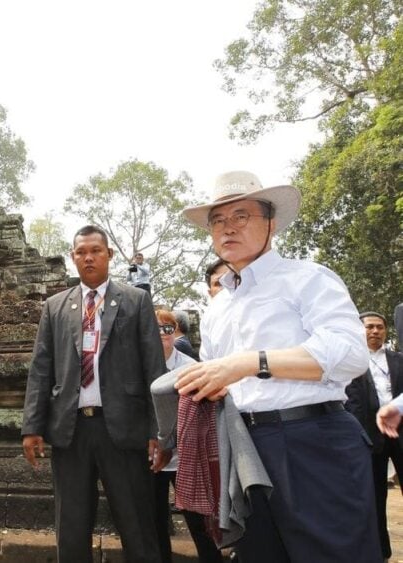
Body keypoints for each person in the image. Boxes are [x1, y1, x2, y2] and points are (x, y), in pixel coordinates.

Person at [174, 170, 379, 562]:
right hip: (245, 449)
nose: (227, 228)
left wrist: (251, 363)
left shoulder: (308, 279)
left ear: (270, 222)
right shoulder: (218, 307)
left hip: (313, 440)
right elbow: (219, 374)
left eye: (240, 216)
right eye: (218, 221)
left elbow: (349, 352)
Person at [22, 224, 165, 563]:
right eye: (80, 252)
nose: (88, 258)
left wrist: (158, 431)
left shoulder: (135, 300)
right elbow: (41, 368)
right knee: (71, 527)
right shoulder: (55, 307)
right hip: (71, 431)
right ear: (73, 258)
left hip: (123, 429)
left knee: (137, 525)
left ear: (109, 255)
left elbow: (154, 367)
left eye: (95, 251)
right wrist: (32, 426)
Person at [152, 309, 224, 563]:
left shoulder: (190, 367)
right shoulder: (134, 365)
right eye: (156, 328)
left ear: (176, 332)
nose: (162, 334)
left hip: (187, 456)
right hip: (150, 456)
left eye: (168, 329)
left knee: (199, 520)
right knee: (154, 521)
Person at [345, 311, 403, 560]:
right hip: (369, 438)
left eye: (380, 327)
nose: (375, 331)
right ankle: (381, 551)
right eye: (369, 327)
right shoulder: (350, 363)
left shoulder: (399, 359)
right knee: (376, 496)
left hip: (401, 434)